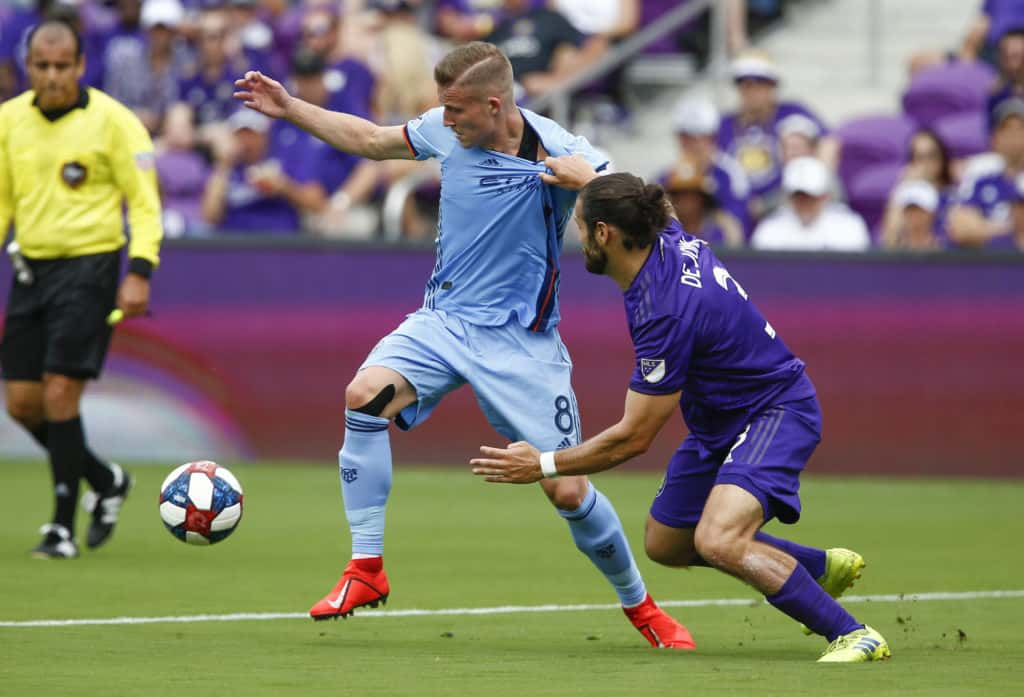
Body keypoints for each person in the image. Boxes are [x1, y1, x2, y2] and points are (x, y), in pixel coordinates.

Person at [233, 41, 694, 647]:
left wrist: (595, 181)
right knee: (363, 395)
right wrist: (292, 108)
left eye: (455, 111)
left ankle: (643, 610)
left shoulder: (556, 150)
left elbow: (646, 211)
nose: (443, 122)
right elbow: (373, 140)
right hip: (443, 321)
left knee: (567, 487)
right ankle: (365, 568)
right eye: (443, 109)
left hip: (521, 344)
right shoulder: (446, 131)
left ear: (495, 105)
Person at [470, 161, 892, 663]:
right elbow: (653, 198)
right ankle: (819, 567)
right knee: (667, 542)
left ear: (605, 233)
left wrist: (539, 464)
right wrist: (589, 178)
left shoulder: (664, 310)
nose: (577, 237)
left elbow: (634, 438)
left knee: (717, 539)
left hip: (774, 411)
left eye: (582, 226)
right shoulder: (664, 232)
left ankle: (853, 633)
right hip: (720, 423)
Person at [0, 19, 163, 558]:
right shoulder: (8, 122)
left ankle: (61, 527)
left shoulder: (114, 123)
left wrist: (139, 269)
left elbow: (142, 201)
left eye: (61, 66)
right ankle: (105, 479)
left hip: (90, 268)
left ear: (80, 65)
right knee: (22, 404)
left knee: (60, 392)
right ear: (28, 66)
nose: (51, 77)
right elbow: (3, 202)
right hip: (31, 270)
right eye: (41, 67)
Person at [751, 156, 870, 251]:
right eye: (798, 197)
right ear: (788, 198)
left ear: (824, 197)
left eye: (810, 197)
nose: (803, 203)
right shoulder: (770, 229)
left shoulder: (848, 226)